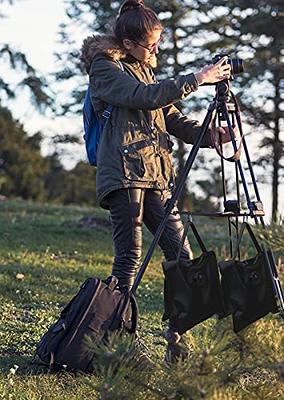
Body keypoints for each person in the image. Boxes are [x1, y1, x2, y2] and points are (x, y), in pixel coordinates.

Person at [80, 0, 232, 362]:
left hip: (156, 175)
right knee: (129, 258)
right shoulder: (105, 67)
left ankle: (178, 347)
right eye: (151, 45)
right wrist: (197, 79)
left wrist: (212, 136)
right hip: (123, 173)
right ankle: (112, 345)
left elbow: (172, 119)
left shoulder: (146, 71)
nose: (156, 50)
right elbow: (140, 98)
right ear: (129, 43)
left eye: (157, 43)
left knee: (181, 255)